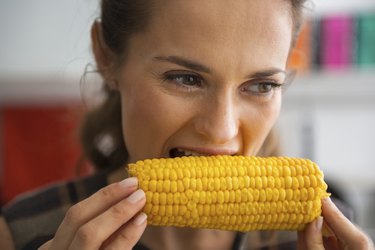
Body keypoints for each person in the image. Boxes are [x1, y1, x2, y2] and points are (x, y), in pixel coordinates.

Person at [0, 0, 374, 249]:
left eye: (261, 85)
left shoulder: (325, 238)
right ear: (105, 56)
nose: (222, 129)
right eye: (185, 78)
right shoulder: (21, 232)